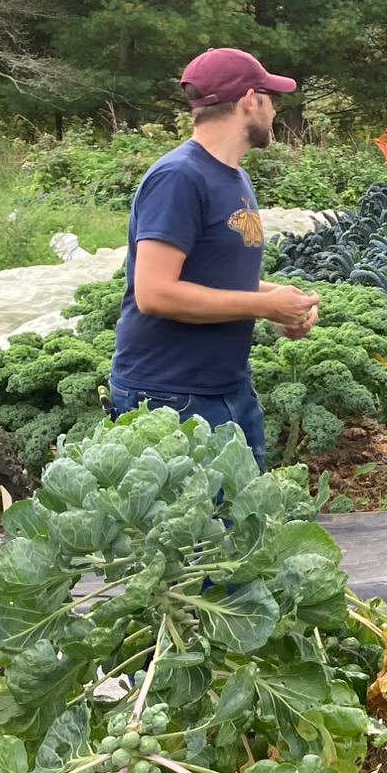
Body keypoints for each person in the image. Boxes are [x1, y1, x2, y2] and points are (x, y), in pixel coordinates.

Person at [110, 48, 320, 469]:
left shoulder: (234, 175)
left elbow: (213, 277)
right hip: (170, 394)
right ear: (248, 100)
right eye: (269, 96)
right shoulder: (179, 177)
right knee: (201, 535)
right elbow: (155, 293)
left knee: (244, 525)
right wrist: (262, 304)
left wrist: (279, 304)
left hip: (227, 386)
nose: (274, 109)